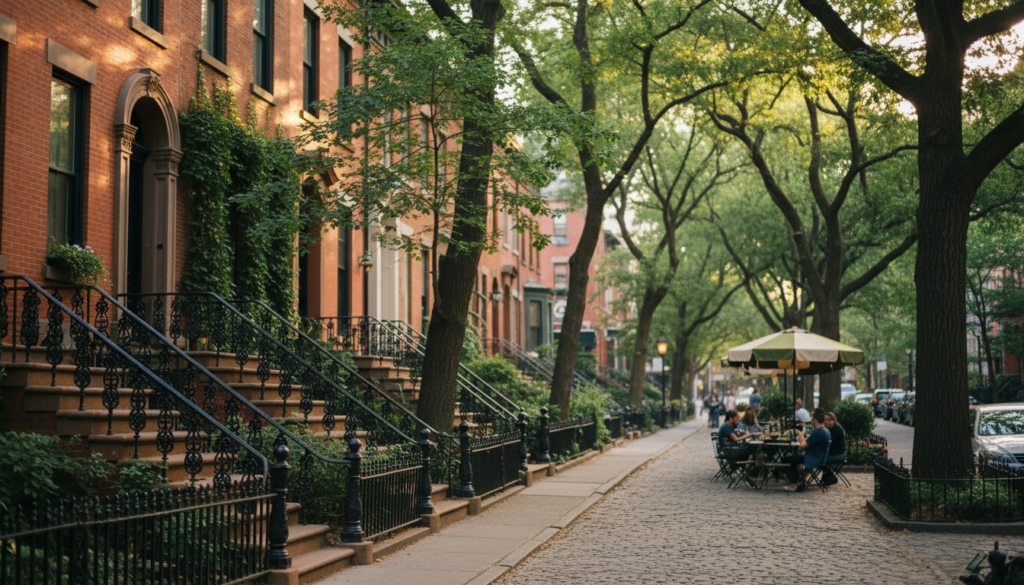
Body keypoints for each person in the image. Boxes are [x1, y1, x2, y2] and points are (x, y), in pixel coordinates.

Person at [784, 410, 831, 492]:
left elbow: (803, 445)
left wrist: (801, 435)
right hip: (819, 458)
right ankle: (798, 481)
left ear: (815, 420)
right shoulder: (825, 430)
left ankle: (795, 484)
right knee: (794, 458)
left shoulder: (818, 432)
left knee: (787, 460)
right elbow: (812, 440)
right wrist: (806, 438)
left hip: (812, 459)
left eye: (812, 419)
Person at [718, 410, 758, 486]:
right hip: (729, 452)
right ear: (731, 418)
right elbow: (735, 439)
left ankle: (749, 473)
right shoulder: (726, 427)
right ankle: (750, 474)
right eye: (737, 418)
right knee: (755, 450)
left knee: (754, 450)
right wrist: (747, 435)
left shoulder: (728, 426)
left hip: (731, 449)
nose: (738, 421)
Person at [821, 411, 846, 486]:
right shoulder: (831, 428)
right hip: (837, 453)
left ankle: (830, 477)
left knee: (820, 459)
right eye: (825, 420)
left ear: (833, 420)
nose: (827, 422)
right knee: (822, 458)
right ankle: (828, 476)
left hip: (838, 455)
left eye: (829, 420)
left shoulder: (835, 429)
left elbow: (828, 443)